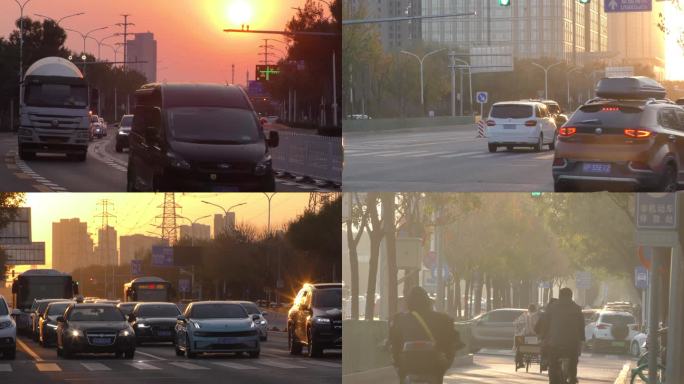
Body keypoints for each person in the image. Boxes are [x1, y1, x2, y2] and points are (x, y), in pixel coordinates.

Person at [389, 286, 463, 384]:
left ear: (408, 303)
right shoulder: (443, 319)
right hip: (434, 367)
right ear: (428, 302)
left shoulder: (398, 319)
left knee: (400, 369)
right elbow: (452, 341)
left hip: (408, 366)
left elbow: (394, 342)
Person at [542, 288, 585, 384]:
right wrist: (582, 339)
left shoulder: (552, 307)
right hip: (572, 343)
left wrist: (543, 336)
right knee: (573, 361)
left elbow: (545, 324)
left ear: (560, 296)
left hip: (554, 342)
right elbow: (581, 326)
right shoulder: (577, 308)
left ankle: (553, 379)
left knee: (552, 364)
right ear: (571, 296)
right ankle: (573, 377)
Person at [514, 303, 541, 369]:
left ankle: (520, 362)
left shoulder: (525, 315)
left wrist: (519, 328)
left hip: (526, 336)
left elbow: (516, 322)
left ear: (528, 309)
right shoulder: (538, 316)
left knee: (518, 345)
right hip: (536, 337)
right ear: (535, 309)